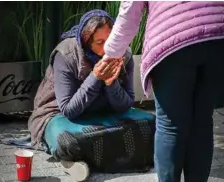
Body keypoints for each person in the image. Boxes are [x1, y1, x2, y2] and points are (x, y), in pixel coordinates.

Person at [103, 2, 224, 182]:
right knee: (202, 120)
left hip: (174, 37)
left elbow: (130, 12)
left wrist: (111, 53)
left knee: (170, 125)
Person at [28, 10, 155, 181]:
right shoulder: (66, 54)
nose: (106, 49)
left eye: (110, 41)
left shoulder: (123, 54)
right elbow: (69, 110)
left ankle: (85, 159)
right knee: (69, 141)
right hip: (59, 114)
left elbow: (126, 104)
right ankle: (71, 160)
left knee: (154, 125)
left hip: (106, 113)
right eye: (99, 43)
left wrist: (111, 84)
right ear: (87, 42)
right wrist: (95, 78)